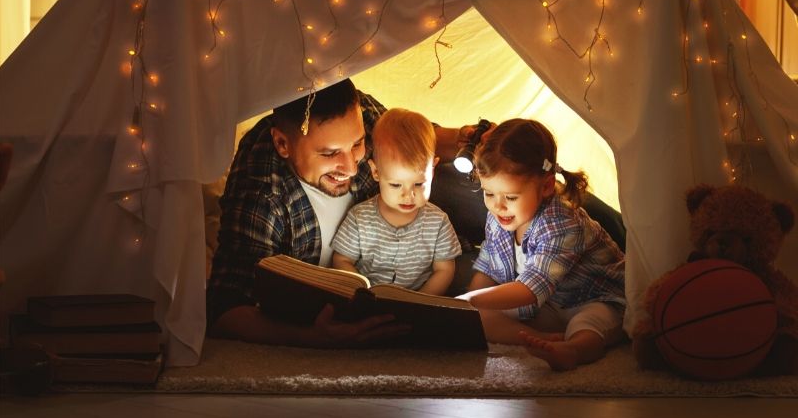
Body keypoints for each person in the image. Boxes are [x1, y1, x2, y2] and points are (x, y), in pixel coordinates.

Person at [206, 79, 467, 347]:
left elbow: (410, 139)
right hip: (345, 291)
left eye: (357, 144)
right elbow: (224, 311)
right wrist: (310, 338)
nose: (352, 168)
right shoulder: (261, 188)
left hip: (416, 236)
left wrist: (467, 139)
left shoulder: (359, 112)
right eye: (331, 153)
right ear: (283, 144)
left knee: (478, 181)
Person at [457, 119, 626, 371]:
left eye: (510, 197)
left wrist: (471, 299)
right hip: (548, 306)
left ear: (546, 186)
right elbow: (488, 272)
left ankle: (572, 349)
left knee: (589, 324)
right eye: (488, 193)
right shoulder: (498, 219)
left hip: (596, 298)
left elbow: (529, 289)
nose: (497, 205)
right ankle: (544, 340)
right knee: (478, 318)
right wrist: (461, 306)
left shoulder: (562, 223)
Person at [331, 108, 461, 296]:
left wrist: (420, 301)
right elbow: (341, 260)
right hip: (368, 301)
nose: (408, 195)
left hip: (419, 302)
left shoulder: (438, 222)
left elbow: (445, 270)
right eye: (395, 185)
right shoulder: (360, 218)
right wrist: (364, 294)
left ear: (432, 170)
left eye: (418, 184)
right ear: (376, 172)